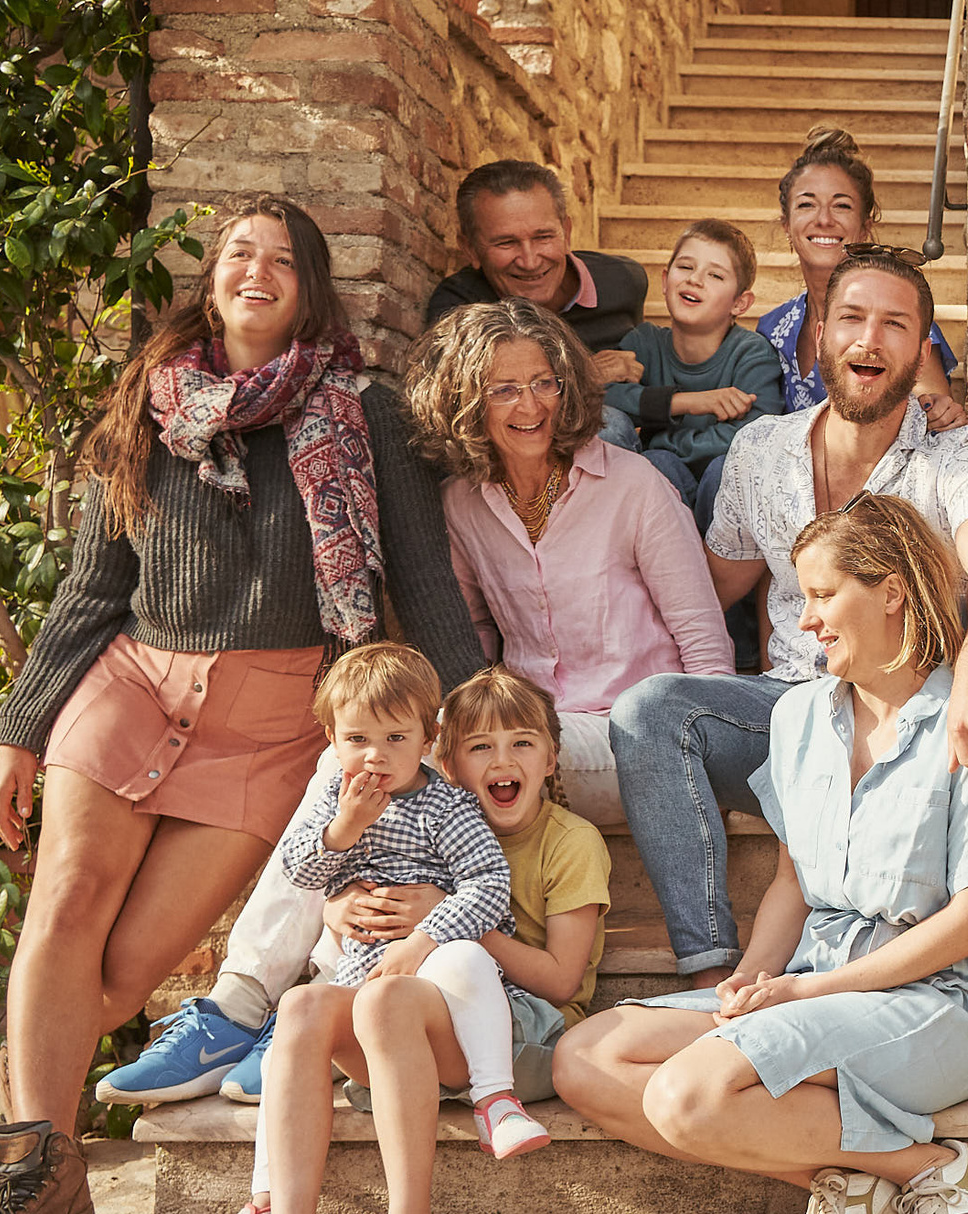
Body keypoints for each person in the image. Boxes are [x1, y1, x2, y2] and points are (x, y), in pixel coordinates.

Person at [0, 195, 481, 1214]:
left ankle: (40, 1155)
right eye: (240, 250)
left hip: (273, 721)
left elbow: (420, 577)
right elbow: (94, 585)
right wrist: (22, 728)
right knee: (63, 906)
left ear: (310, 290)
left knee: (118, 976)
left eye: (283, 258)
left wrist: (480, 716)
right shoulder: (148, 405)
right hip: (131, 682)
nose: (258, 268)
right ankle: (32, 1180)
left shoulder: (361, 413)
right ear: (212, 276)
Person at [97, 297, 728, 1108]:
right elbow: (470, 635)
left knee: (377, 760)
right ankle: (247, 1004)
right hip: (522, 738)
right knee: (353, 757)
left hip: (626, 744)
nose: (530, 406)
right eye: (504, 389)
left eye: (543, 383)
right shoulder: (466, 503)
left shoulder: (634, 487)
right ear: (468, 401)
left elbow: (705, 660)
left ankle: (306, 1011)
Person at [554, 496, 968, 1214]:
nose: (804, 619)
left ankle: (936, 1168)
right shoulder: (800, 717)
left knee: (688, 1094)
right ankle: (861, 1176)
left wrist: (804, 989)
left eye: (821, 593)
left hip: (932, 1005)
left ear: (891, 592)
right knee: (586, 1057)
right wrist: (752, 976)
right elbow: (792, 881)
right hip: (811, 985)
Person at [607, 247, 968, 983]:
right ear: (820, 333)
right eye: (852, 318)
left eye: (895, 324)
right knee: (649, 711)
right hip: (790, 716)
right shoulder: (761, 448)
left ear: (923, 349)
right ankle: (714, 974)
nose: (870, 338)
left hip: (901, 725)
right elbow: (713, 583)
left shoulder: (957, 455)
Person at [189, 665, 609, 1214]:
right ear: (449, 757)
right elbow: (316, 875)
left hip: (520, 1033)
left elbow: (561, 982)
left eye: (522, 742)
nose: (502, 760)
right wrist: (338, 903)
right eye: (479, 746)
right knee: (302, 1007)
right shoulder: (393, 816)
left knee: (390, 994)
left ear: (551, 758)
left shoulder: (564, 841)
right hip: (406, 1036)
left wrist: (437, 917)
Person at [424, 159, 649, 448]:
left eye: (543, 237)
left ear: (566, 233)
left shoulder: (623, 281)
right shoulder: (460, 308)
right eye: (506, 243)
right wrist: (585, 374)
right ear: (470, 249)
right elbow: (466, 411)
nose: (530, 261)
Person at [756, 126, 965, 425]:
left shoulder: (899, 315)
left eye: (841, 205)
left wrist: (937, 409)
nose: (824, 219)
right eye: (806, 204)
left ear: (866, 226)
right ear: (787, 225)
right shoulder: (773, 329)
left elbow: (930, 406)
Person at [606, 219, 786, 530]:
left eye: (715, 275)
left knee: (721, 468)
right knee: (656, 463)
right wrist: (688, 402)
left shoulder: (753, 355)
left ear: (740, 303)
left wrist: (659, 439)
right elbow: (602, 396)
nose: (695, 280)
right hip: (660, 501)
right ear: (664, 281)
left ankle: (714, 573)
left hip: (726, 512)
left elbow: (750, 438)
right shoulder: (643, 343)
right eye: (686, 267)